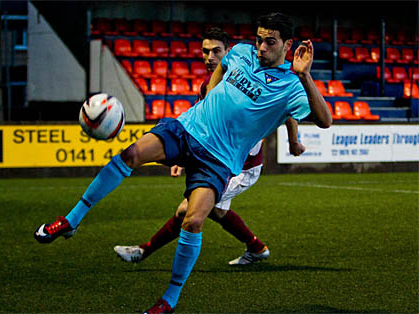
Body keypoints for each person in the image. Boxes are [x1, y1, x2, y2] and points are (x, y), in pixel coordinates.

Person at [34, 12, 331, 314]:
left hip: (218, 160)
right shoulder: (241, 52)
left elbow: (325, 120)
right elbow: (223, 67)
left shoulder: (293, 86)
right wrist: (209, 96)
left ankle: (169, 300)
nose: (261, 48)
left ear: (288, 45)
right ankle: (72, 220)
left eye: (270, 42)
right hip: (187, 128)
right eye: (259, 40)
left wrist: (304, 74)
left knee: (193, 219)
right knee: (131, 155)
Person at [113, 27, 306, 266]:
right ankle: (256, 247)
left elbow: (287, 109)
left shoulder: (252, 78)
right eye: (206, 52)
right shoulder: (208, 85)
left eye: (217, 52)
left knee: (188, 210)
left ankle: (144, 251)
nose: (210, 58)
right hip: (215, 161)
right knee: (214, 210)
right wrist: (181, 161)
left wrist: (294, 140)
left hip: (242, 167)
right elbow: (198, 127)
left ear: (230, 53)